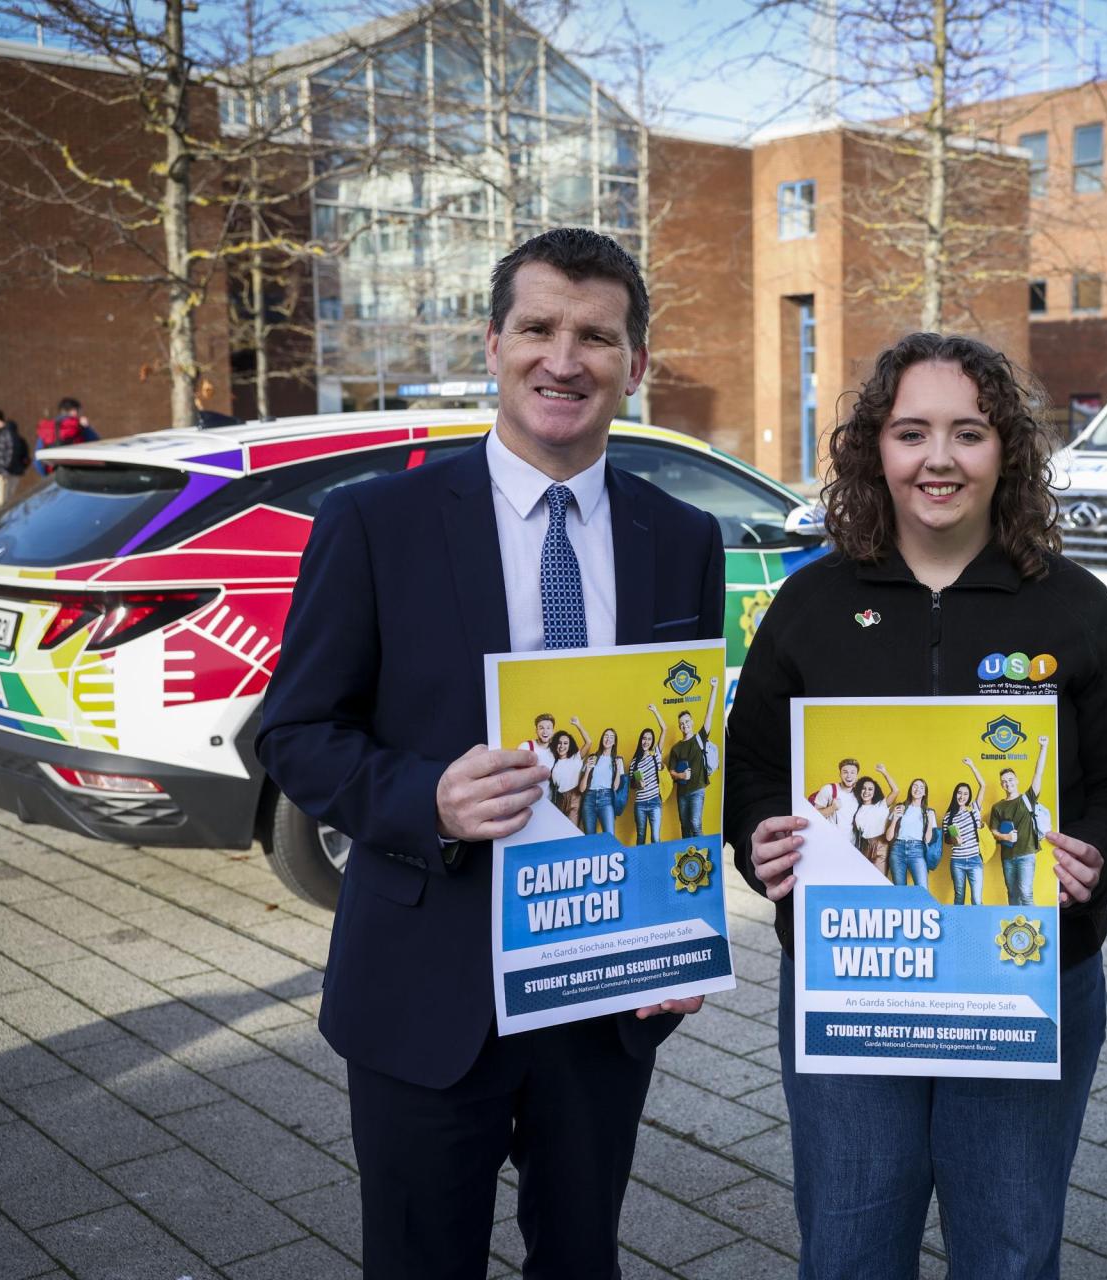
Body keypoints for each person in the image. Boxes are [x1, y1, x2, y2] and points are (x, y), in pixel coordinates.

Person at [256, 227, 724, 1279]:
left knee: (581, 1257)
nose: (566, 359)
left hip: (603, 991)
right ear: (495, 342)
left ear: (635, 365)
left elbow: (680, 752)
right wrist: (429, 795)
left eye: (597, 336)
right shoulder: (375, 521)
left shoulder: (682, 535)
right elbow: (293, 734)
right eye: (540, 327)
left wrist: (680, 930)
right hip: (429, 986)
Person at [725, 332, 1107, 1280]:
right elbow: (754, 771)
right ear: (873, 452)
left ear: (1006, 449)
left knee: (1009, 1256)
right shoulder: (808, 606)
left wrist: (1098, 854)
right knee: (848, 1253)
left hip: (1026, 985)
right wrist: (759, 841)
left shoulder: (1074, 607)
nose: (939, 459)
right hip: (851, 988)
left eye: (968, 432)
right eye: (911, 432)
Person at [988, 737, 1051, 907]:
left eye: (1010, 780)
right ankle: (1015, 930)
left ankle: (1032, 930)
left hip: (1026, 854)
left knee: (1026, 893)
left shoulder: (1027, 798)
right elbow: (993, 831)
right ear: (1002, 785)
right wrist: (1005, 837)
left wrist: (1043, 747)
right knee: (1013, 894)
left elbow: (1038, 772)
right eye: (1004, 782)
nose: (1007, 783)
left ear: (1016, 780)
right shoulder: (998, 807)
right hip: (1007, 857)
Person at [662, 677, 720, 837]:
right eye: (681, 723)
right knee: (685, 827)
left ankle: (702, 857)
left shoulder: (699, 738)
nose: (684, 725)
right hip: (682, 793)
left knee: (695, 824)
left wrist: (714, 688)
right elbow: (671, 772)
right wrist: (680, 775)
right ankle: (687, 860)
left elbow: (709, 713)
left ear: (692, 722)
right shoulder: (676, 748)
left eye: (687, 721)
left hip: (697, 789)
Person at [943, 759, 988, 905]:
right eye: (959, 793)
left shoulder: (973, 809)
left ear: (969, 796)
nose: (962, 796)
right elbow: (946, 839)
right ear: (955, 794)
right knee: (959, 897)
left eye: (965, 794)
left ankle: (978, 928)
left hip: (975, 859)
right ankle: (959, 928)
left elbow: (983, 785)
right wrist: (954, 841)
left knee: (977, 899)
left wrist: (972, 766)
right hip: (957, 861)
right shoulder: (948, 816)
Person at [575, 720, 624, 836]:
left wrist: (618, 769)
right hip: (589, 799)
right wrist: (587, 769)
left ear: (614, 742)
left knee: (609, 836)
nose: (608, 739)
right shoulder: (592, 758)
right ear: (602, 739)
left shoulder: (617, 760)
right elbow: (581, 789)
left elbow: (616, 787)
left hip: (606, 799)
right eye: (606, 736)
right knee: (590, 837)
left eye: (611, 737)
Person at [888, 775, 936, 887]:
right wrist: (894, 819)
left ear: (925, 793)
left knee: (922, 890)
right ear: (910, 789)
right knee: (900, 891)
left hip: (917, 850)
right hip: (897, 850)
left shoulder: (928, 812)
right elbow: (888, 837)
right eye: (915, 786)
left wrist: (930, 821)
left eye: (921, 787)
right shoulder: (900, 807)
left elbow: (928, 840)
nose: (917, 789)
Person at [34, 396, 96, 475]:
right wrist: (87, 426)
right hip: (80, 475)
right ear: (74, 411)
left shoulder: (47, 428)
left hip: (55, 477)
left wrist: (47, 477)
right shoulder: (80, 426)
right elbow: (97, 446)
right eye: (80, 412)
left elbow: (38, 461)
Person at [629, 721, 666, 843]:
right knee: (640, 837)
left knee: (655, 838)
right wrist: (639, 785)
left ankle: (656, 862)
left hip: (655, 802)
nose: (646, 741)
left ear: (652, 742)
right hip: (640, 804)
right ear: (641, 740)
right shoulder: (634, 762)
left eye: (649, 739)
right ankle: (641, 862)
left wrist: (655, 711)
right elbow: (632, 785)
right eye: (644, 738)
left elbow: (664, 729)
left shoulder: (656, 755)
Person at [0, 412, 27, 508]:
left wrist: (3, 468)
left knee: (2, 503)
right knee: (7, 502)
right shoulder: (11, 433)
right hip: (10, 471)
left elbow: (9, 452)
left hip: (4, 473)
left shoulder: (5, 433)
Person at [547, 730, 583, 826]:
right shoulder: (553, 762)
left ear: (570, 745)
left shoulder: (576, 757)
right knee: (560, 830)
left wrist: (578, 725)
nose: (562, 746)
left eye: (565, 743)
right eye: (559, 743)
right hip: (559, 799)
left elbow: (589, 742)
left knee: (572, 830)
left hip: (574, 798)